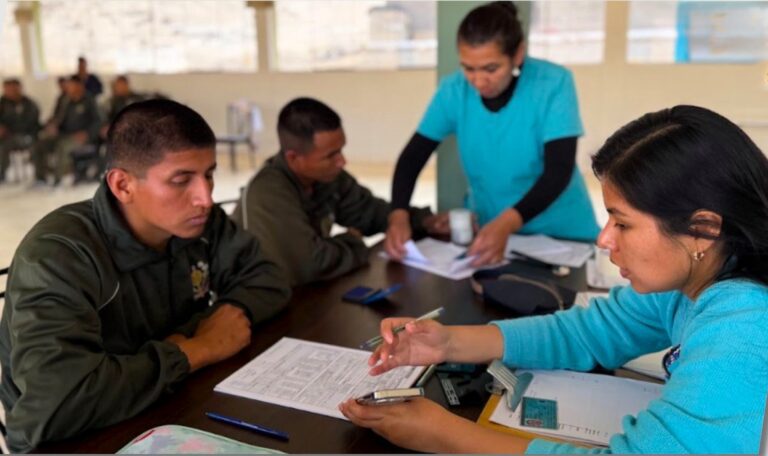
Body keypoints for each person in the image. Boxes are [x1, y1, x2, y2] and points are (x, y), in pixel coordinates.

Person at [340, 105, 768, 454]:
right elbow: (591, 331)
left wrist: (445, 436)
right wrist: (448, 342)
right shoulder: (701, 277)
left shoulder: (743, 327)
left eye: (622, 223)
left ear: (703, 229)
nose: (604, 239)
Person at [0, 99, 291, 452]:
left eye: (209, 174)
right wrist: (195, 350)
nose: (205, 197)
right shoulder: (59, 255)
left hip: (165, 408)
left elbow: (267, 277)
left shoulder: (197, 223)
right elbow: (57, 405)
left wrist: (217, 323)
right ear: (123, 185)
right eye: (182, 180)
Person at [385, 1, 599, 267]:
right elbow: (413, 156)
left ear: (517, 54)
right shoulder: (453, 89)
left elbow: (559, 170)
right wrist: (399, 215)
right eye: (468, 68)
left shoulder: (553, 83)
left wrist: (506, 224)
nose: (478, 80)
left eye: (491, 68)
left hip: (562, 234)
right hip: (491, 232)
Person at [232, 97, 449, 286]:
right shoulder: (268, 192)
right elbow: (311, 265)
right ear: (293, 158)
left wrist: (423, 220)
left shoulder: (328, 178)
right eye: (331, 155)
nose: (342, 161)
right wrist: (352, 240)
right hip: (261, 311)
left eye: (341, 150)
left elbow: (371, 213)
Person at [31, 75, 100, 185]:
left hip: (83, 137)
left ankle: (58, 180)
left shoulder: (90, 100)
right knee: (39, 145)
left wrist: (87, 133)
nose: (68, 88)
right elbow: (58, 119)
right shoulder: (65, 101)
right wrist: (53, 126)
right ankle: (41, 178)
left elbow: (98, 121)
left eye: (71, 86)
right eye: (68, 86)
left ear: (79, 86)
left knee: (62, 147)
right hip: (63, 135)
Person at [0, 78, 40, 182]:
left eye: (12, 89)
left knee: (7, 145)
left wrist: (10, 130)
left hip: (27, 136)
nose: (9, 92)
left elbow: (31, 124)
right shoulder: (2, 104)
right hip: (6, 138)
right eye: (7, 90)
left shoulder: (29, 104)